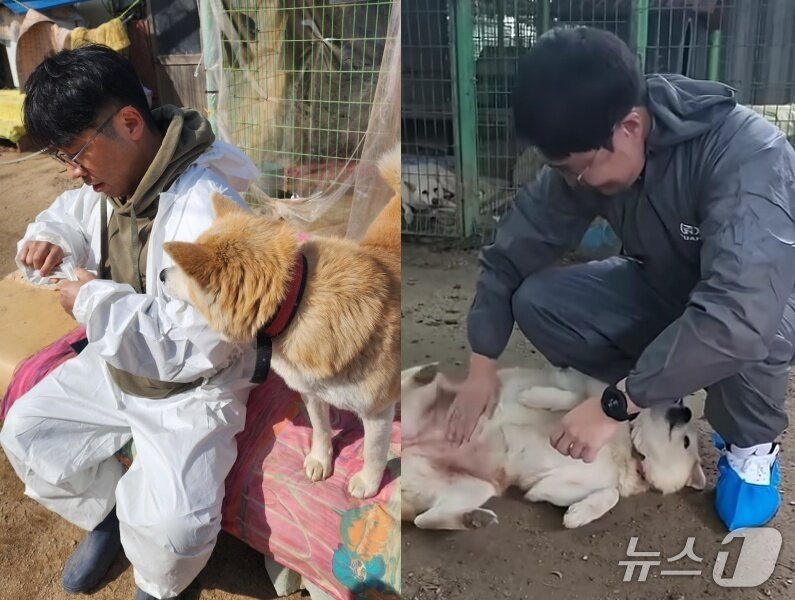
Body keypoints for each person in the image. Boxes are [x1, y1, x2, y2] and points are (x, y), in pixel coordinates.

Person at [447, 26, 795, 531]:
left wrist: (612, 404)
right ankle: (654, 398)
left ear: (630, 126)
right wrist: (481, 366)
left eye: (578, 171)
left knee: (741, 509)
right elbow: (512, 252)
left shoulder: (747, 156)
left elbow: (739, 314)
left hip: (757, 315)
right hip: (665, 287)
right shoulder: (589, 148)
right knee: (540, 299)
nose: (572, 184)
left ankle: (751, 440)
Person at [0, 45, 259, 599]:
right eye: (61, 158)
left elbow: (203, 344)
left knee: (175, 534)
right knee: (28, 433)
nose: (73, 172)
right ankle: (110, 518)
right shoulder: (117, 179)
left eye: (76, 153)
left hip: (188, 390)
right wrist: (50, 240)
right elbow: (69, 214)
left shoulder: (208, 207)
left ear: (129, 122)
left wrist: (94, 302)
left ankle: (155, 580)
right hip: (118, 361)